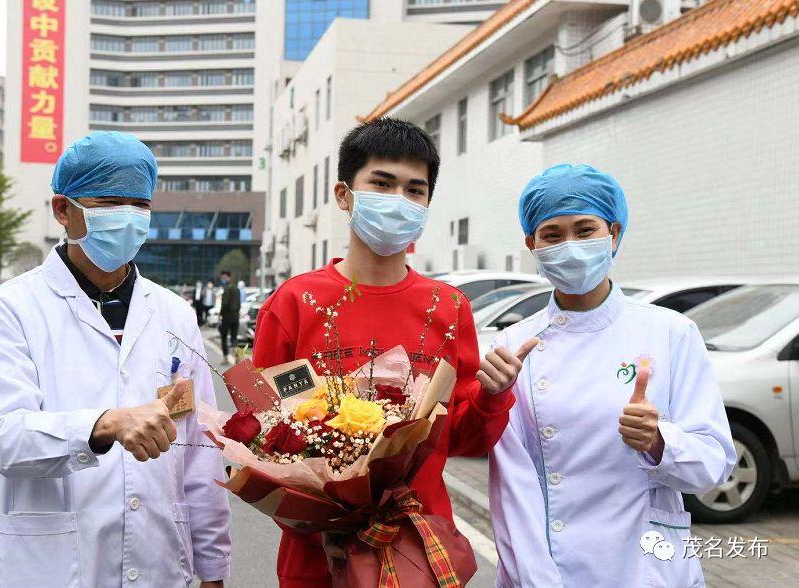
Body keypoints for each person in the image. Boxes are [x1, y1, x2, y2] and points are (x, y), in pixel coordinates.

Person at [252, 118, 529, 588]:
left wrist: (492, 395)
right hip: (315, 561)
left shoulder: (447, 307)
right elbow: (267, 434)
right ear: (344, 194)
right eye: (382, 184)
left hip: (418, 552)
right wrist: (321, 525)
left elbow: (460, 440)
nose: (399, 200)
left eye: (414, 190)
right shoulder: (295, 304)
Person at [0, 131, 230, 587]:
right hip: (44, 564)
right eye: (109, 202)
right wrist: (103, 424)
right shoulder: (7, 309)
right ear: (63, 211)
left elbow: (196, 453)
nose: (128, 218)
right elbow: (4, 437)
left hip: (158, 563)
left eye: (140, 206)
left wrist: (212, 568)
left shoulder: (174, 316)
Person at [487, 164, 736, 587]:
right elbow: (513, 489)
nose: (570, 245)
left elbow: (714, 466)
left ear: (614, 233)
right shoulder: (514, 347)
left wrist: (659, 441)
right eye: (552, 235)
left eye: (585, 230)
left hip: (646, 566)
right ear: (532, 244)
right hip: (550, 565)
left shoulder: (671, 332)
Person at [217, 270, 240, 364]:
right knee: (234, 338)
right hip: (236, 316)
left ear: (229, 277)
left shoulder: (227, 288)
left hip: (227, 316)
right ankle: (237, 357)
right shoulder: (237, 288)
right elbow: (239, 303)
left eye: (224, 278)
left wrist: (221, 314)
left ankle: (225, 358)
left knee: (224, 336)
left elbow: (225, 303)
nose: (223, 280)